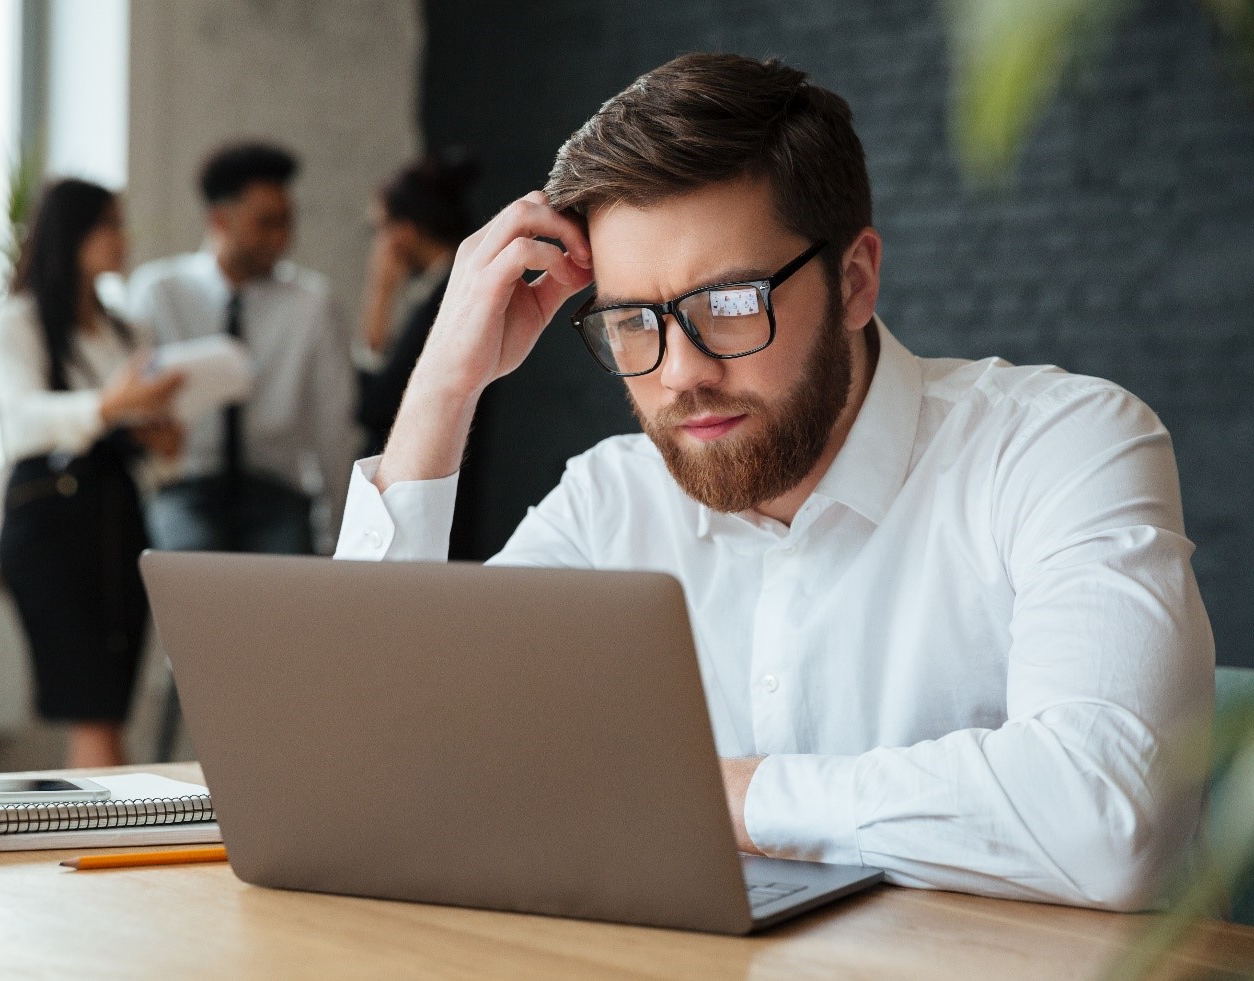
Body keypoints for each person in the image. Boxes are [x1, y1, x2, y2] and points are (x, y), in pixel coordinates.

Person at [333, 53, 1215, 911]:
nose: (678, 374)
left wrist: (722, 797)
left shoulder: (1063, 446)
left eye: (729, 304)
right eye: (635, 322)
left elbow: (1110, 818)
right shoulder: (612, 502)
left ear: (855, 281)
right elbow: (373, 770)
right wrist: (445, 384)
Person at [0, 178, 185, 768]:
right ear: (72, 234)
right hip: (49, 525)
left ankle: (99, 843)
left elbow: (136, 433)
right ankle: (103, 845)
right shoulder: (16, 322)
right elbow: (22, 421)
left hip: (118, 521)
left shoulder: (128, 331)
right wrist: (109, 406)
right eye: (110, 225)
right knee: (91, 702)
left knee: (112, 703)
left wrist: (159, 431)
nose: (123, 238)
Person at [128, 142, 358, 555]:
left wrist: (340, 534)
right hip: (187, 487)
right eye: (266, 223)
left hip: (277, 489)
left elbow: (333, 426)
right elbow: (134, 405)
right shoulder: (159, 292)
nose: (281, 238)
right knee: (187, 599)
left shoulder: (313, 304)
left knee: (283, 611)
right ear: (219, 219)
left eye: (288, 222)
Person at [356, 148, 479, 458]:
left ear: (404, 231)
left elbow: (376, 409)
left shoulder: (448, 298)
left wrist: (380, 295)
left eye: (380, 228)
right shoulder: (446, 289)